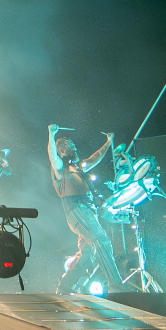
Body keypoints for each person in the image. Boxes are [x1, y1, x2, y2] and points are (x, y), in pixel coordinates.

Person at [48, 125, 123, 293]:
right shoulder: (61, 170)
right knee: (101, 240)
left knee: (88, 252)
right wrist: (51, 135)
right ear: (61, 150)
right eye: (68, 144)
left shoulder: (79, 167)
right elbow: (52, 157)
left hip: (88, 213)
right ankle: (116, 286)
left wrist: (108, 142)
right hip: (77, 211)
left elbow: (96, 157)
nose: (73, 146)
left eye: (73, 144)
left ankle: (64, 287)